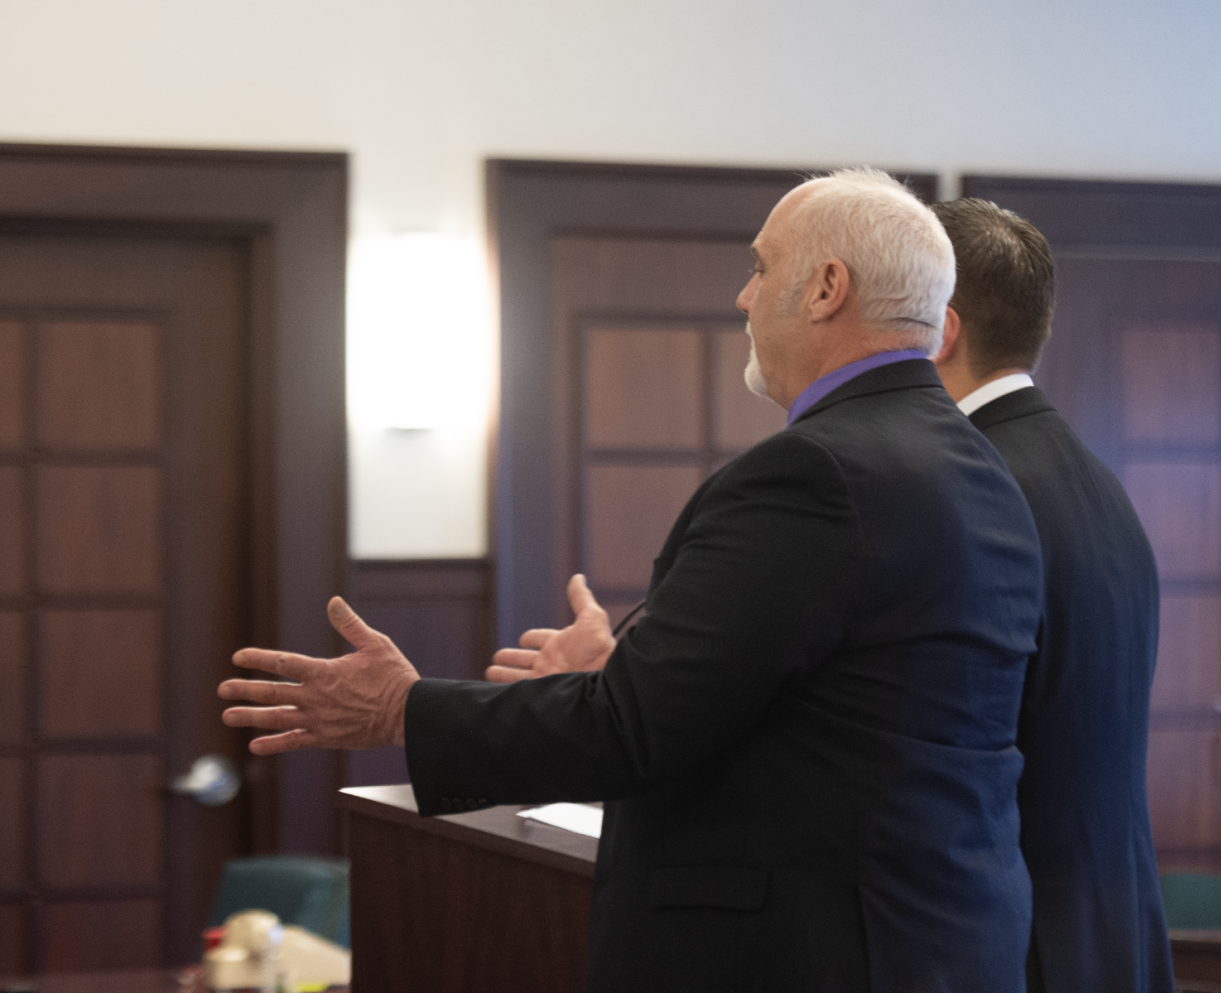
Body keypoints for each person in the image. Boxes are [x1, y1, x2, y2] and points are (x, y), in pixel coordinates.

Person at [219, 169, 1044, 992]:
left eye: (761, 266)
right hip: (940, 943)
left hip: (807, 952)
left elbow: (633, 731)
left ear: (828, 287)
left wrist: (404, 706)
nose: (744, 298)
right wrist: (622, 672)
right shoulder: (981, 466)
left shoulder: (815, 471)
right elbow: (831, 710)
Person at [930, 197, 1176, 993]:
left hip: (1022, 941)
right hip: (1118, 928)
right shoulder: (1096, 481)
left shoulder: (969, 488)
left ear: (940, 329)